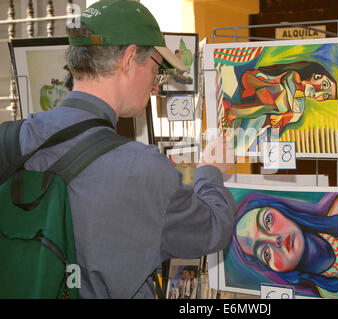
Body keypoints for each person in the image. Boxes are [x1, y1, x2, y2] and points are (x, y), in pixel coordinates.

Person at [17, 0, 236, 298]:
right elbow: (213, 229)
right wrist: (210, 172)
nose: (156, 86)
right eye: (157, 70)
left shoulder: (21, 136)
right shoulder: (141, 168)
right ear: (130, 58)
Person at [227, 191, 338, 298]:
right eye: (265, 253)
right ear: (271, 268)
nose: (275, 240)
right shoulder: (331, 294)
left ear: (281, 210)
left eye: (268, 221)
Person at [222, 61, 338, 132]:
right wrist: (286, 113)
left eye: (326, 97)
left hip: (261, 100)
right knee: (281, 98)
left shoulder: (301, 96)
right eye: (324, 85)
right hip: (254, 83)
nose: (321, 94)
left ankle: (233, 111)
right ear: (317, 75)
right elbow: (288, 88)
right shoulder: (295, 76)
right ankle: (232, 111)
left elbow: (297, 115)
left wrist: (282, 117)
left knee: (276, 105)